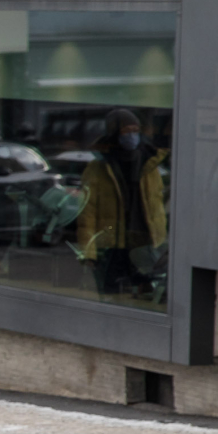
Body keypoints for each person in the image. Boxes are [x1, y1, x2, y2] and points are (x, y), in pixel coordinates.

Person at [75, 108, 167, 301]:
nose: (132, 135)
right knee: (111, 294)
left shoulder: (149, 163)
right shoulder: (98, 168)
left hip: (144, 243)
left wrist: (161, 243)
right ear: (115, 133)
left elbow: (158, 204)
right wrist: (88, 252)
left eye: (136, 130)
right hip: (112, 246)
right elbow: (87, 212)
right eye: (127, 131)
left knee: (148, 294)